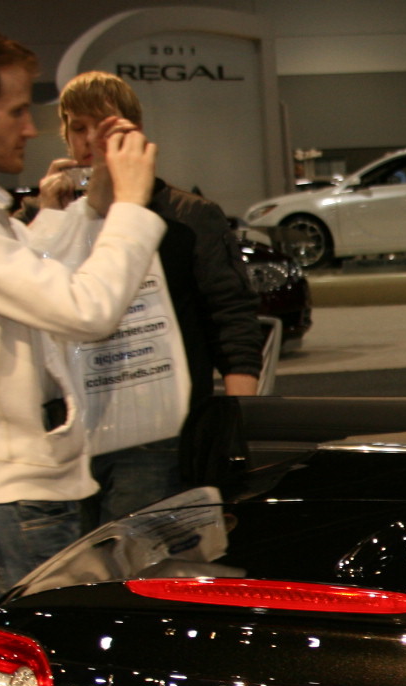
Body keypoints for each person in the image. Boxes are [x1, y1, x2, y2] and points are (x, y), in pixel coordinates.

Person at [0, 25, 165, 608]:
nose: (31, 127)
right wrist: (133, 208)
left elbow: (38, 265)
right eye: (16, 110)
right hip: (9, 507)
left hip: (18, 501)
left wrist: (97, 204)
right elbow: (83, 308)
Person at [44, 71, 266, 522]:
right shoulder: (47, 217)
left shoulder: (189, 215)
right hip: (68, 430)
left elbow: (231, 318)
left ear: (133, 131)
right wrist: (49, 215)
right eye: (78, 127)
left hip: (162, 429)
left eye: (103, 127)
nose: (89, 140)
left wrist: (234, 420)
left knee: (147, 571)